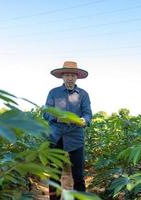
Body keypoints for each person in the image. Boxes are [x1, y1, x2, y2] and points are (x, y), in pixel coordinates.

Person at [43, 61, 92, 200]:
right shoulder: (53, 93)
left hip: (76, 137)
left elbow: (88, 113)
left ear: (77, 77)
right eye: (67, 75)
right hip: (55, 137)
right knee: (54, 174)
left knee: (78, 175)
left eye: (72, 75)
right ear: (62, 77)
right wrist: (58, 118)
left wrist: (84, 120)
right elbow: (46, 113)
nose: (70, 78)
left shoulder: (83, 95)